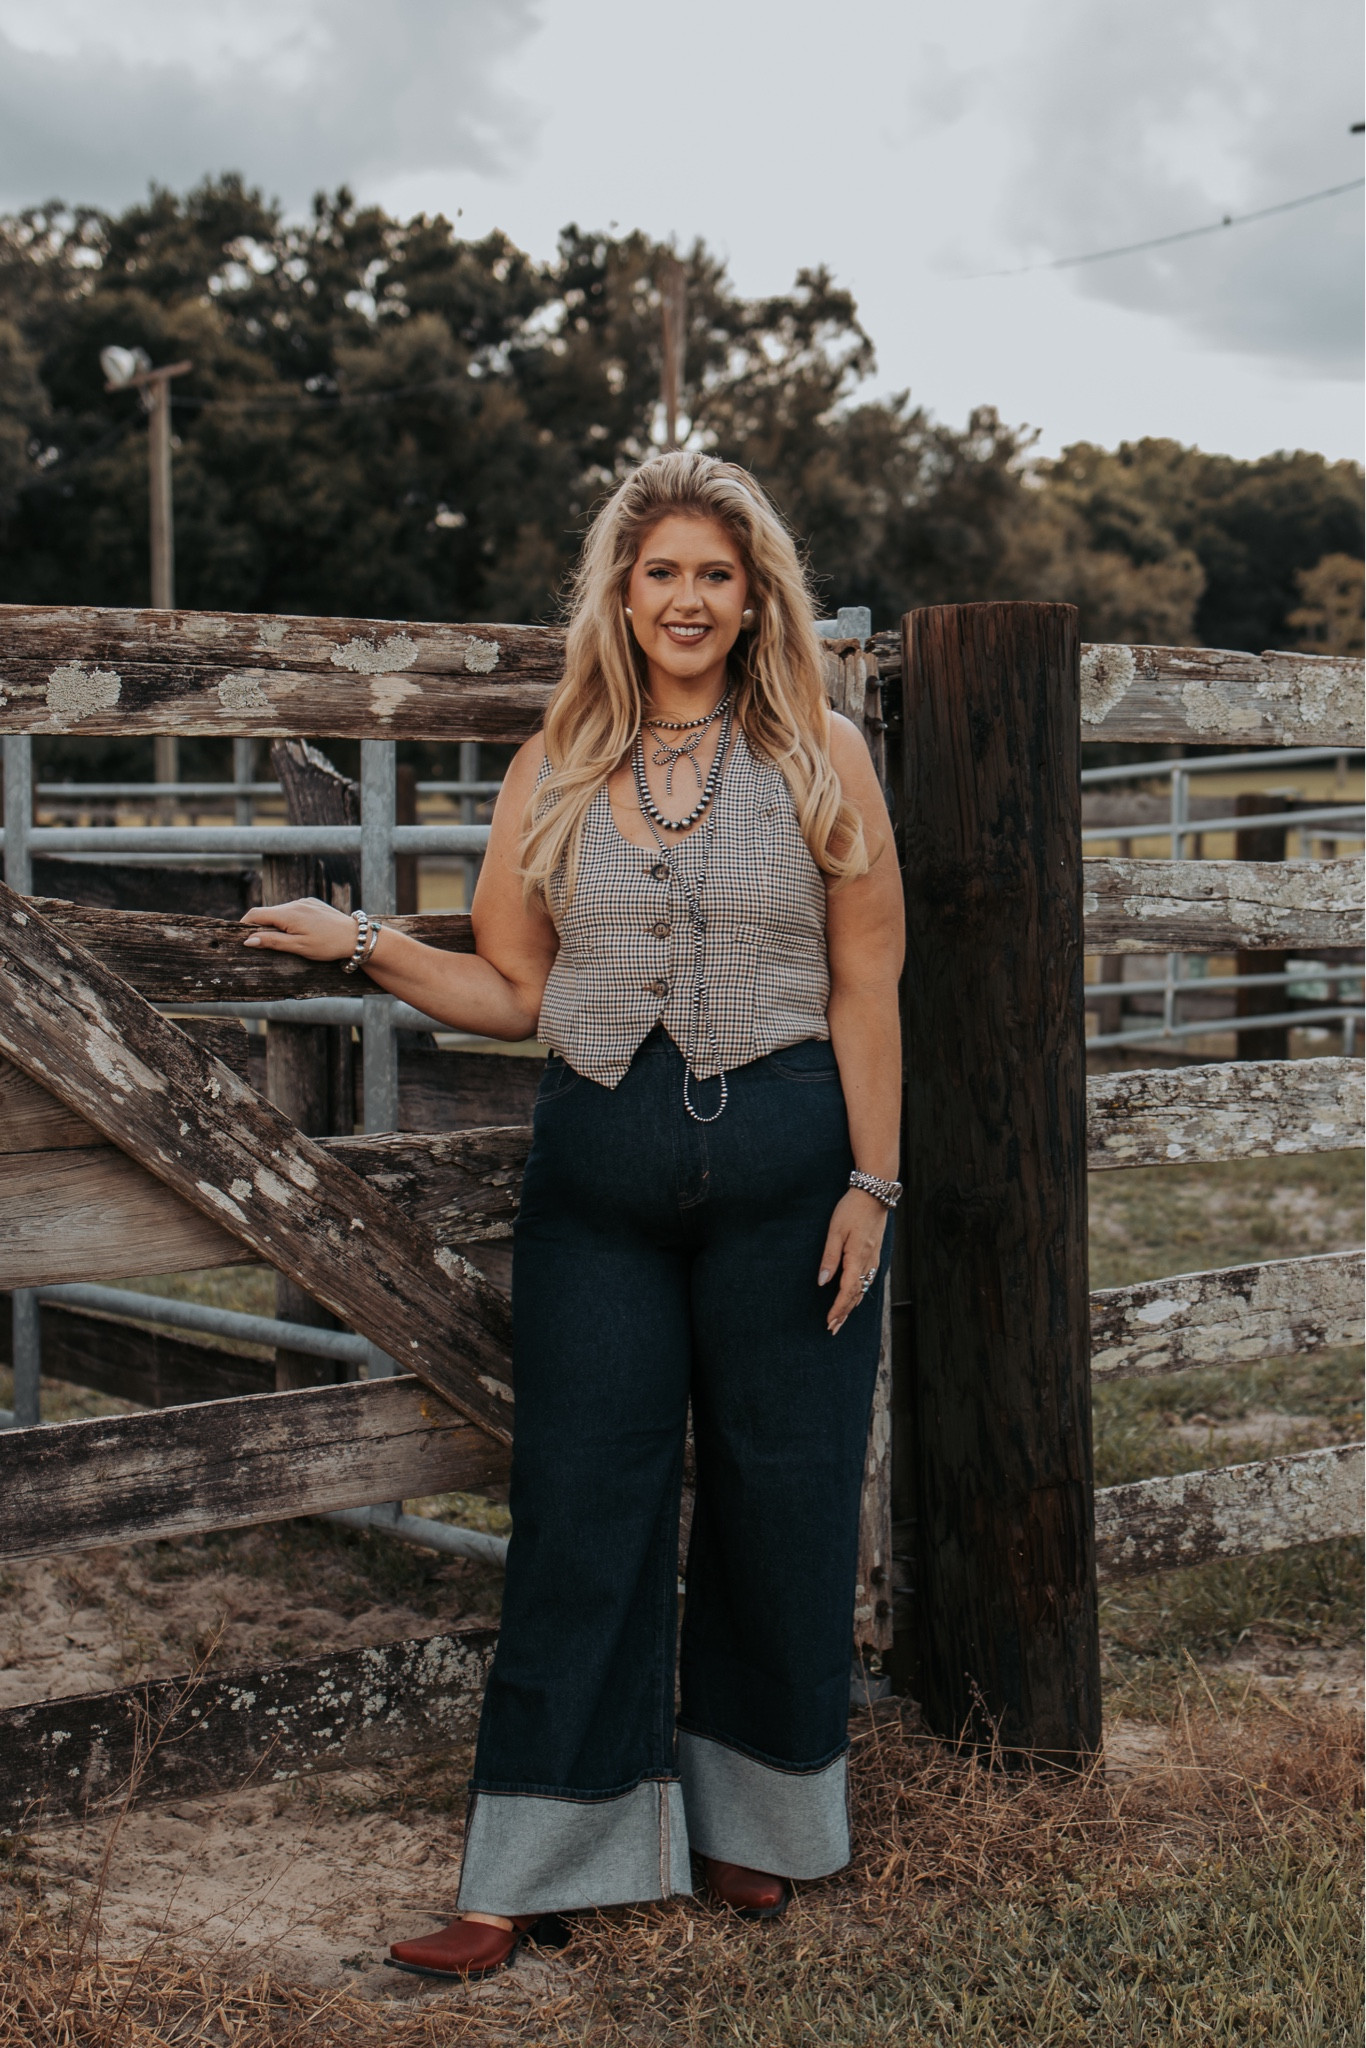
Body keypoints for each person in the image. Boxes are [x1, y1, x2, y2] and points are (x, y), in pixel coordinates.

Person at [241, 451, 904, 1981]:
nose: (687, 599)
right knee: (576, 1512)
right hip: (595, 1189)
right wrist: (364, 945)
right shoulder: (552, 765)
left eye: (715, 577)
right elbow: (512, 992)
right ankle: (527, 1865)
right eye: (662, 571)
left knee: (781, 1495)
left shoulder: (821, 752)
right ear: (622, 591)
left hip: (796, 1177)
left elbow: (870, 986)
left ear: (753, 602)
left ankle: (756, 1826)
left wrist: (875, 1185)